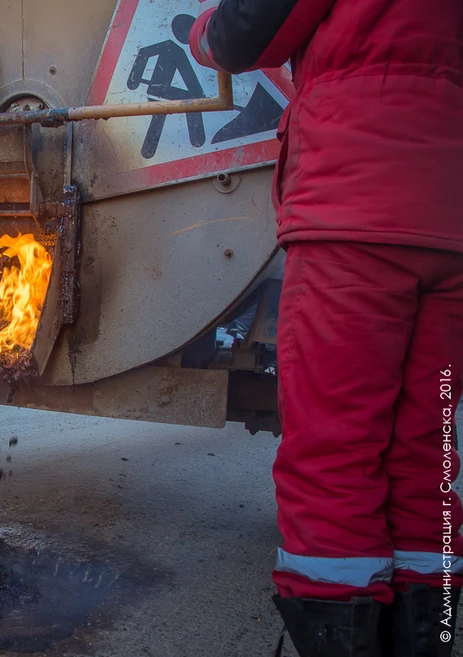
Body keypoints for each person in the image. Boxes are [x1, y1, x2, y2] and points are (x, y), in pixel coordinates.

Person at [188, 0, 463, 654]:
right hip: (453, 225)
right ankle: (432, 635)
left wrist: (201, 33)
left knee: (334, 447)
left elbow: (243, 31)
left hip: (354, 216)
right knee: (429, 446)